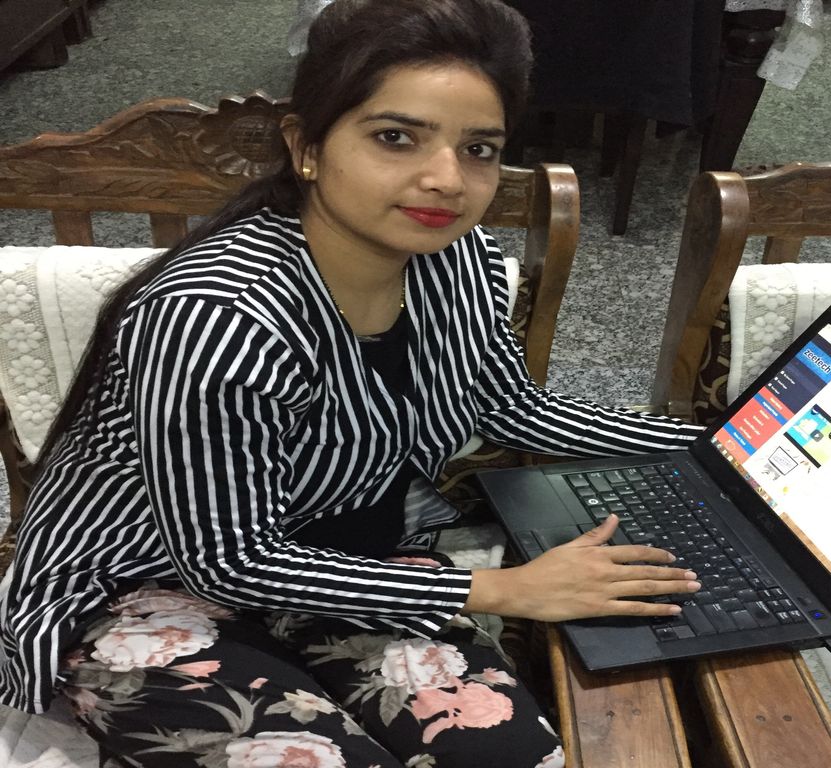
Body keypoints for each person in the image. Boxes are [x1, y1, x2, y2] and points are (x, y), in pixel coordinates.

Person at [0, 1, 704, 765]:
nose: (446, 179)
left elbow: (511, 407)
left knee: (505, 757)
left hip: (349, 560)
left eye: (479, 149)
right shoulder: (219, 316)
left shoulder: (459, 261)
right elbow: (227, 559)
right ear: (305, 146)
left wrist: (716, 447)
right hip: (144, 583)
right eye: (395, 137)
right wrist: (501, 590)